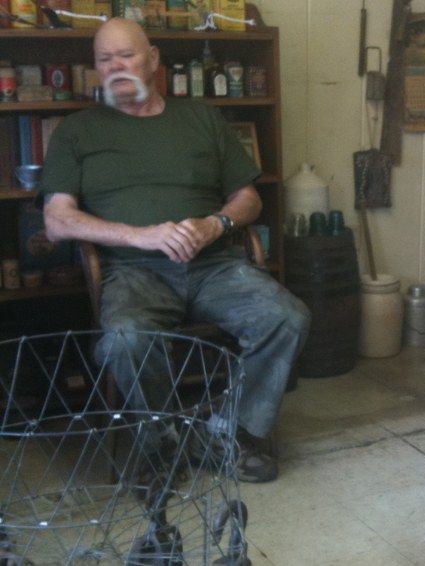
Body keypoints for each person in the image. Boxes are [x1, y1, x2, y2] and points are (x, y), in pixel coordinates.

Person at [38, 18, 311, 483]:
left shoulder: (201, 118)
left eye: (126, 55)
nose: (115, 66)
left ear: (154, 59)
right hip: (133, 272)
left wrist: (214, 223)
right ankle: (166, 443)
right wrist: (139, 235)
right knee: (125, 339)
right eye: (104, 59)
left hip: (215, 264)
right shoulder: (77, 131)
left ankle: (230, 432)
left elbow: (249, 199)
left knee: (286, 316)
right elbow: (57, 219)